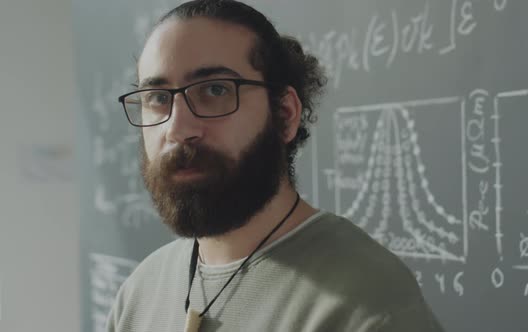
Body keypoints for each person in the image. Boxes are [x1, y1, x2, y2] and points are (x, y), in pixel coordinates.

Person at [107, 0, 445, 331]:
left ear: (284, 115)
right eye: (158, 98)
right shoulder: (139, 295)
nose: (178, 129)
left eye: (215, 89)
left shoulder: (368, 305)